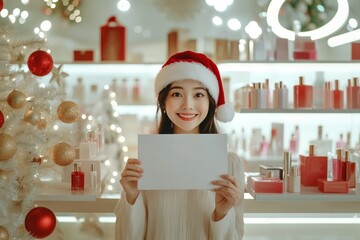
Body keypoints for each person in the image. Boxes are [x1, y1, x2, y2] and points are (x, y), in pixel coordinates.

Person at [115, 50, 245, 240]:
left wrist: (222, 214)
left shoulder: (231, 165)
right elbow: (126, 237)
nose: (188, 105)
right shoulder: (145, 164)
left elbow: (237, 235)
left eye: (199, 94)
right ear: (164, 103)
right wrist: (132, 197)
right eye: (177, 94)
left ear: (210, 103)